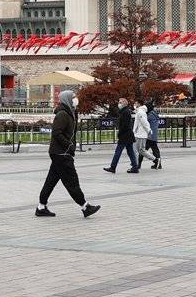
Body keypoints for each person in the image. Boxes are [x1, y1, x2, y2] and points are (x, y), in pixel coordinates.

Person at [36, 89, 100, 218]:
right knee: (72, 181)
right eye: (73, 97)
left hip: (59, 153)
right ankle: (85, 206)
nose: (75, 99)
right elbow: (56, 133)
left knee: (51, 181)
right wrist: (69, 145)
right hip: (61, 153)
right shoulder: (63, 114)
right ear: (67, 99)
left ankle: (41, 207)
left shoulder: (69, 112)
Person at [104, 97, 139, 174]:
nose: (118, 104)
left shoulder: (125, 112)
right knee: (130, 151)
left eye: (120, 102)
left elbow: (124, 125)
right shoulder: (125, 111)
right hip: (128, 135)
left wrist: (120, 134)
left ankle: (113, 167)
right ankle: (135, 167)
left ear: (124, 103)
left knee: (118, 152)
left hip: (125, 135)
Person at [143, 101, 162, 169]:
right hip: (154, 135)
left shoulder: (150, 115)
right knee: (155, 150)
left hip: (149, 135)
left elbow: (144, 122)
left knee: (142, 150)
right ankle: (159, 164)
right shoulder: (154, 114)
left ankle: (138, 164)